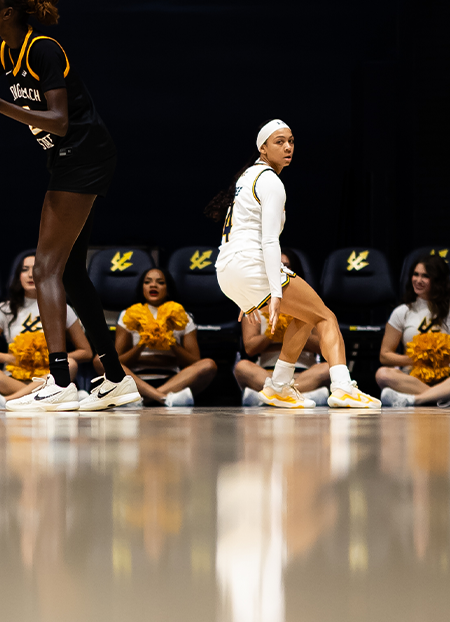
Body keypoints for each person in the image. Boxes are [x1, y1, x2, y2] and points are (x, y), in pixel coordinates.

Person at [0, 0, 136, 411]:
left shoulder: (44, 48)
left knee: (45, 268)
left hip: (82, 153)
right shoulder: (4, 55)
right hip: (69, 159)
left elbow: (60, 121)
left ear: (7, 13)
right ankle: (116, 378)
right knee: (69, 273)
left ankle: (60, 380)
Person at [209, 120, 379, 408]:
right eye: (279, 142)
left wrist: (243, 292)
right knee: (326, 317)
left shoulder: (245, 178)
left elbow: (236, 233)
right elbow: (269, 241)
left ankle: (278, 386)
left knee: (304, 315)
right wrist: (274, 291)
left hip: (227, 267)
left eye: (291, 141)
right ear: (262, 148)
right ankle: (342, 387)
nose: (288, 147)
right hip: (252, 263)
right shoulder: (271, 181)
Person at [0, 249, 94, 410]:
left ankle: (6, 401)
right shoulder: (5, 309)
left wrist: (49, 357)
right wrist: (12, 358)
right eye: (25, 270)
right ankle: (63, 396)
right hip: (15, 376)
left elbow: (86, 352)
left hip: (50, 374)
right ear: (18, 276)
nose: (31, 275)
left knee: (70, 364)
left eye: (36, 269)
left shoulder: (62, 308)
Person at [375, 255, 450, 407]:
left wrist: (446, 360)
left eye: (425, 276)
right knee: (382, 374)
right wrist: (418, 360)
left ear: (438, 280)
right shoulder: (401, 311)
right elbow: (385, 355)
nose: (418, 280)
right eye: (415, 274)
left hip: (449, 376)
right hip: (412, 377)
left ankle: (416, 400)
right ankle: (447, 397)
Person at [232, 250, 332, 406]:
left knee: (328, 368)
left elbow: (323, 346)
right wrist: (272, 334)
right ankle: (304, 395)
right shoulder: (253, 304)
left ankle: (270, 396)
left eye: (285, 266)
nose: (280, 271)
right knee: (242, 367)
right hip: (267, 373)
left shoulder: (310, 304)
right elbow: (250, 347)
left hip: (303, 374)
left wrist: (293, 333)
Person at [113, 267, 217, 407]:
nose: (153, 285)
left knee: (209, 364)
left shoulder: (183, 316)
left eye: (160, 282)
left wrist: (171, 342)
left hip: (173, 381)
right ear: (142, 288)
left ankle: (145, 399)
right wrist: (142, 344)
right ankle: (163, 398)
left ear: (168, 289)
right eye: (147, 282)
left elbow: (194, 362)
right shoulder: (127, 315)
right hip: (135, 380)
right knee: (101, 361)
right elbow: (117, 361)